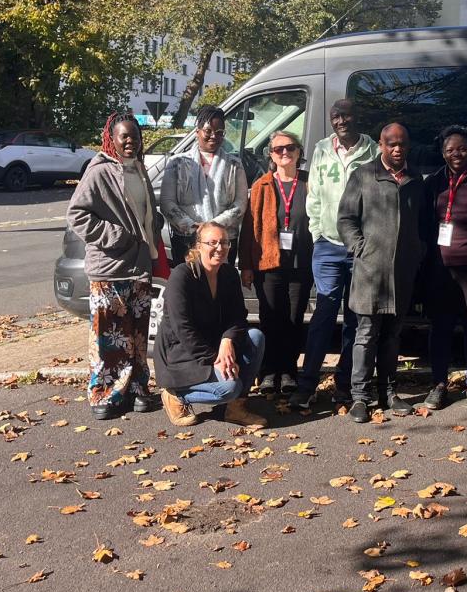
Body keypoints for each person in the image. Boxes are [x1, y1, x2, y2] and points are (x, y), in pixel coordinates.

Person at [67, 113, 163, 420]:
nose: (130, 141)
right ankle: (106, 394)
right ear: (112, 138)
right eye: (124, 136)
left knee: (136, 335)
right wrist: (116, 236)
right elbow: (77, 214)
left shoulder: (140, 169)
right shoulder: (99, 171)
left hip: (139, 267)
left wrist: (153, 229)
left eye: (134, 136)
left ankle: (137, 389)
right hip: (110, 267)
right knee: (108, 336)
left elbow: (146, 212)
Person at [337, 123, 431, 423]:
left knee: (392, 336)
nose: (397, 148)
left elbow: (426, 222)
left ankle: (388, 392)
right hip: (370, 271)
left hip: (402, 273)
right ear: (381, 144)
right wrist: (360, 248)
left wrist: (419, 251)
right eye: (391, 143)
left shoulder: (416, 179)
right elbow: (346, 218)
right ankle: (360, 397)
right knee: (365, 335)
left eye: (402, 143)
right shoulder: (364, 175)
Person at [288, 100, 377, 411]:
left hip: (360, 248)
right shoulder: (322, 148)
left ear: (357, 117)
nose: (341, 121)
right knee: (323, 316)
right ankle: (308, 384)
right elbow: (313, 194)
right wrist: (316, 233)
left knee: (355, 318)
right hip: (327, 244)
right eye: (336, 117)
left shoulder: (373, 151)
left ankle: (344, 386)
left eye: (346, 116)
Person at [154, 223, 268, 429]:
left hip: (216, 346)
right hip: (183, 354)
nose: (220, 247)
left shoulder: (229, 274)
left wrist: (227, 341)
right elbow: (183, 330)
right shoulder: (182, 276)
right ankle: (175, 394)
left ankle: (235, 408)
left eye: (224, 242)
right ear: (198, 246)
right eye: (212, 243)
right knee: (229, 387)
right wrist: (216, 359)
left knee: (256, 337)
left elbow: (238, 317)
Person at [421, 126, 467, 414]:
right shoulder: (434, 182)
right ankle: (439, 384)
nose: (456, 154)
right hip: (440, 268)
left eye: (462, 148)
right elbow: (425, 224)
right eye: (450, 150)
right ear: (442, 153)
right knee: (441, 326)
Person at [239, 131, 313, 396]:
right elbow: (249, 229)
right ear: (271, 155)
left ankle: (289, 371)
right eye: (278, 149)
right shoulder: (262, 185)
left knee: (294, 319)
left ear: (299, 152)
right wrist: (246, 265)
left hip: (301, 263)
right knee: (271, 318)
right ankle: (269, 371)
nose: (284, 153)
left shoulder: (309, 182)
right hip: (268, 262)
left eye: (290, 148)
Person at [160, 105, 248, 266]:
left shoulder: (235, 164)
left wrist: (213, 226)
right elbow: (167, 203)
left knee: (220, 287)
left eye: (220, 132)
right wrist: (192, 226)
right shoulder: (177, 163)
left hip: (223, 240)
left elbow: (240, 204)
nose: (214, 136)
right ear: (197, 132)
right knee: (190, 286)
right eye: (208, 131)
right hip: (187, 239)